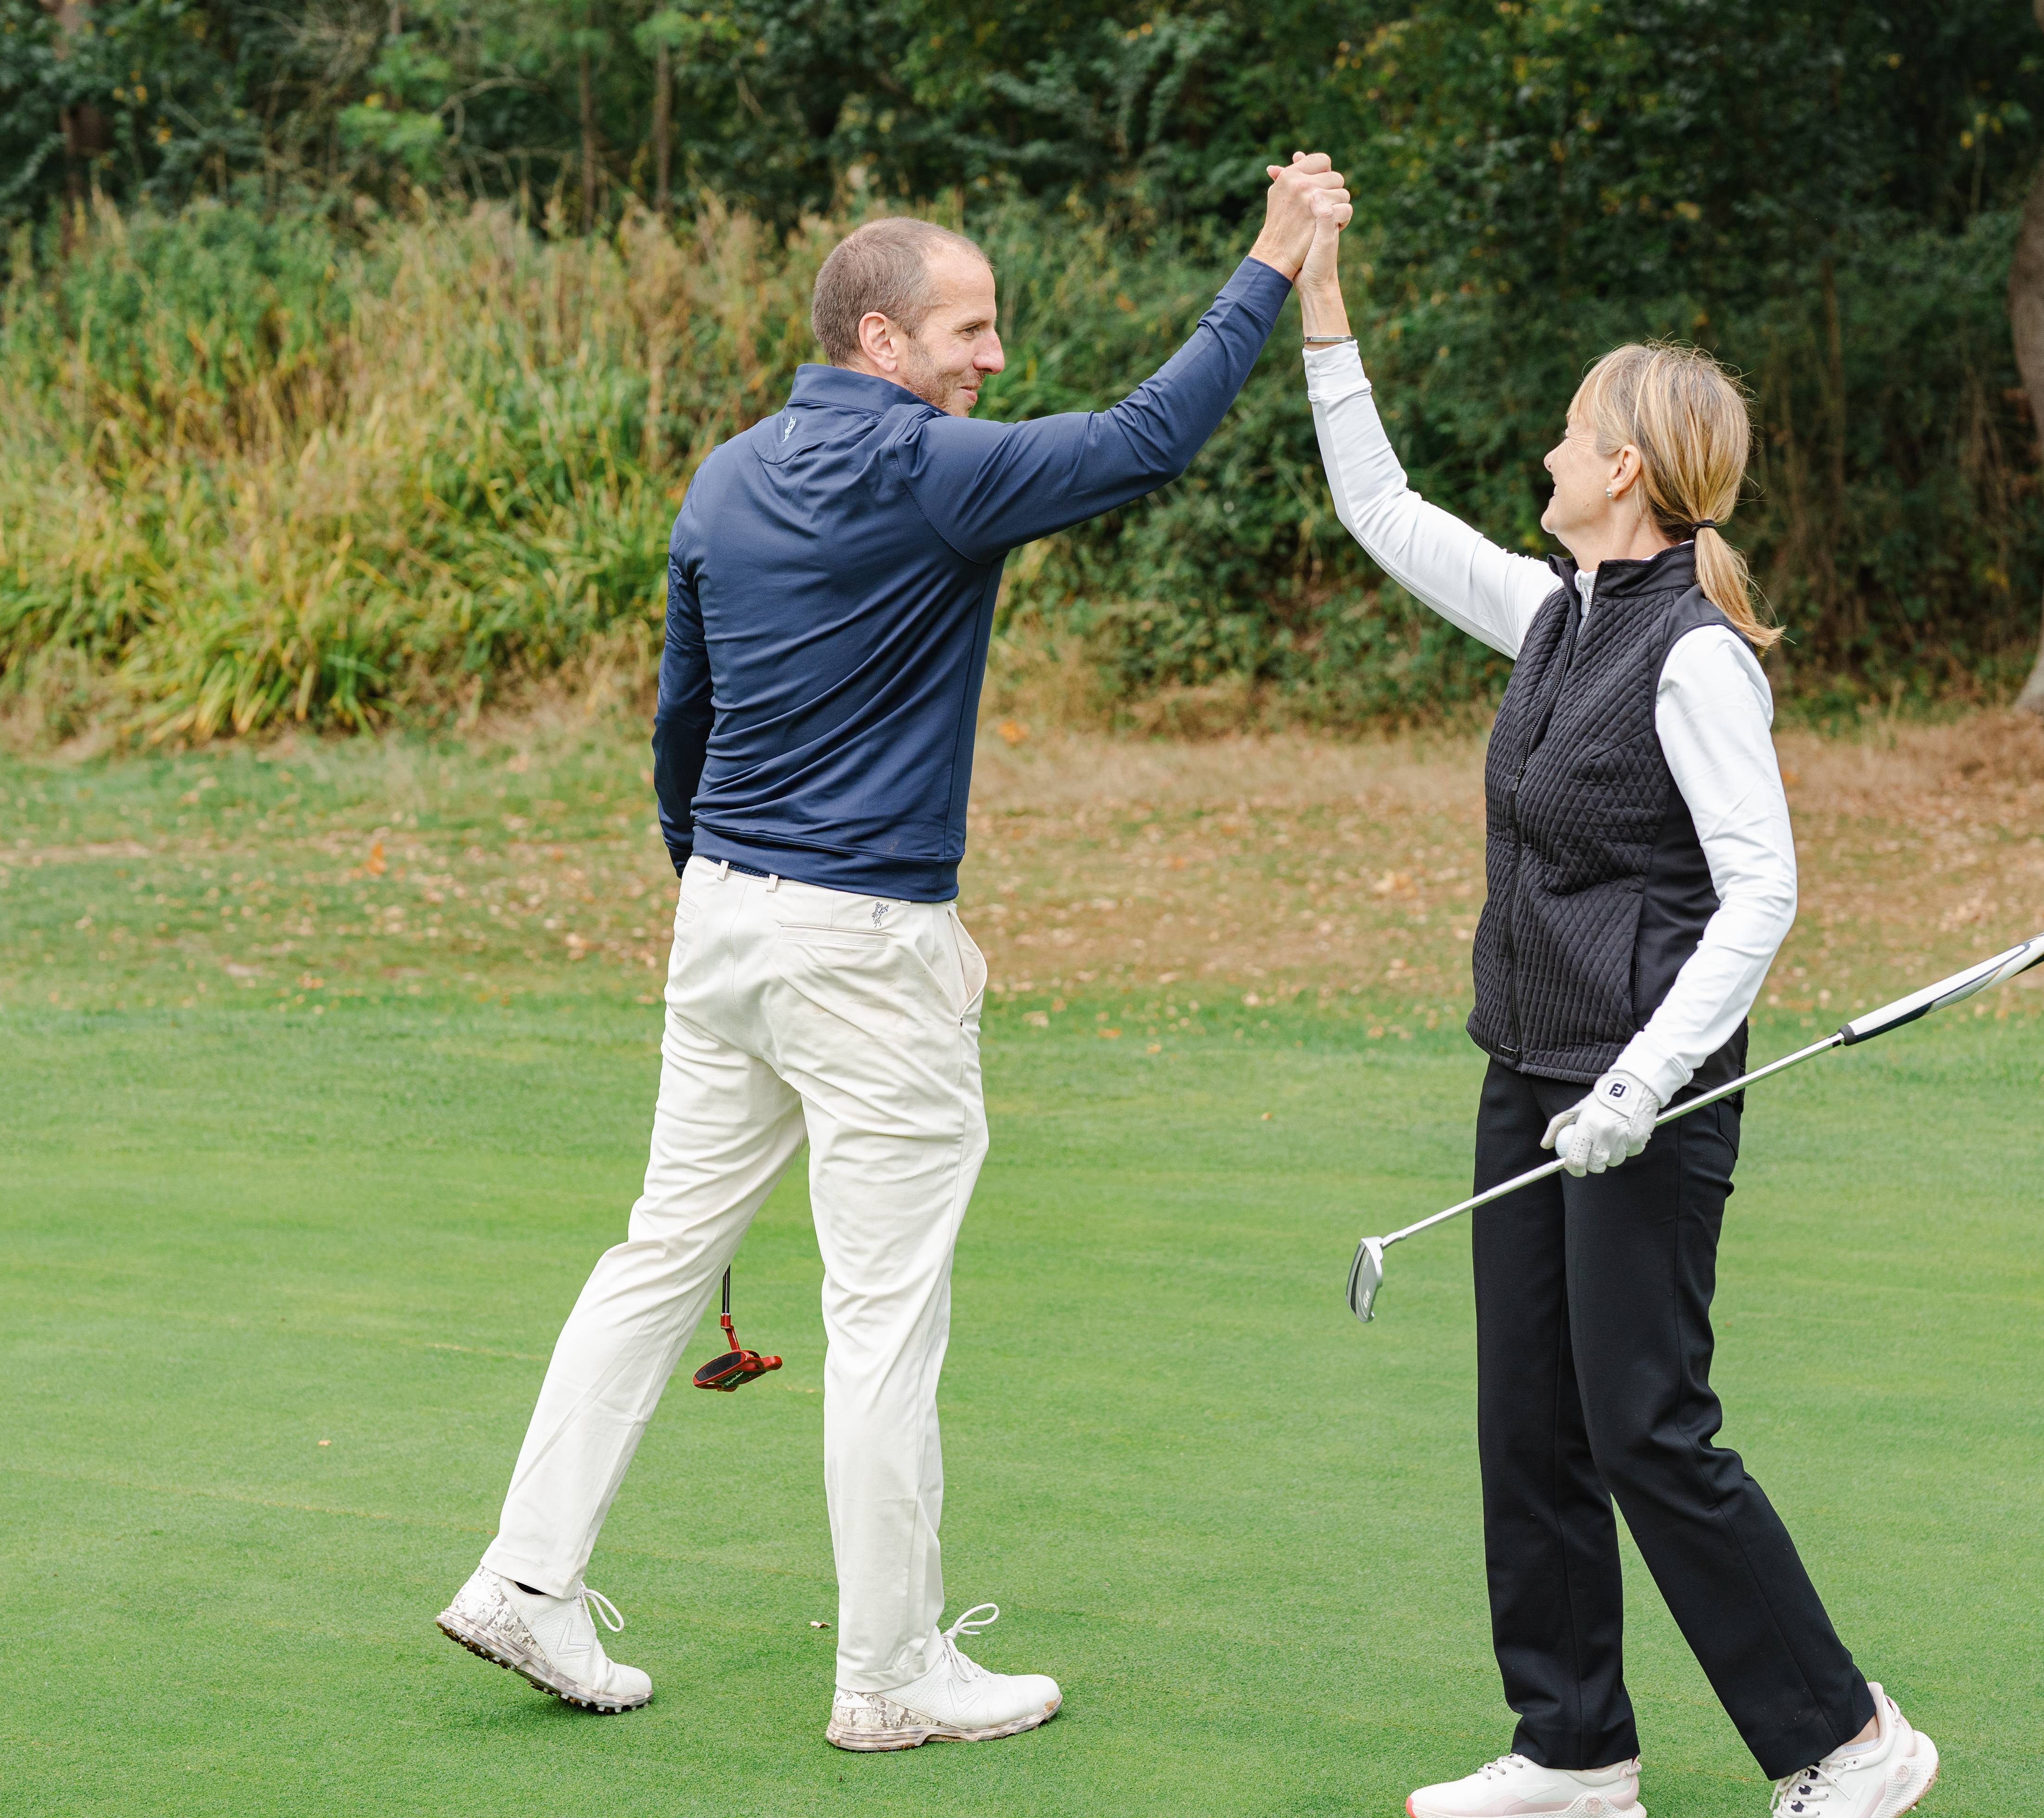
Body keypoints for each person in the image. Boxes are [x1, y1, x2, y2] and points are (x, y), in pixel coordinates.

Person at [436, 158, 1351, 1753]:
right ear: (881, 338)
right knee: (880, 1316)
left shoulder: (726, 475)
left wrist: (710, 885)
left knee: (660, 1255)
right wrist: (1270, 259)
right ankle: (888, 1675)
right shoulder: (928, 468)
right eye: (968, 330)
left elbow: (680, 722)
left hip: (726, 919)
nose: (993, 357)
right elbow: (1145, 442)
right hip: (857, 943)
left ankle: (525, 1577)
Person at [1291, 193, 1939, 1818]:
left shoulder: (1696, 658)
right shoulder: (1552, 612)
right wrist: (1320, 299)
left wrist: (1645, 1082)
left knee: (1647, 1426)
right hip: (1528, 1073)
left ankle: (1848, 1739)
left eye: (1571, 433)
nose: (1547, 450)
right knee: (1530, 1424)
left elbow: (1760, 892)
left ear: (1626, 469)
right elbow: (1376, 505)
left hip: (1649, 1093)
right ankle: (1571, 1750)